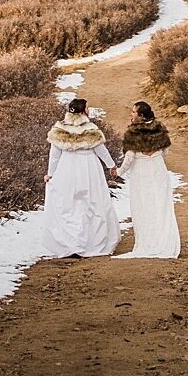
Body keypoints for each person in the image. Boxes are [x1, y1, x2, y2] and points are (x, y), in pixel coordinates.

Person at [43, 97, 121, 259]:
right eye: (87, 108)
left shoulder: (60, 129)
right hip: (88, 168)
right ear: (83, 111)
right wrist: (111, 165)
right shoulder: (90, 128)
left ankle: (71, 242)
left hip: (67, 168)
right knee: (91, 202)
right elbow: (101, 150)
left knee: (70, 204)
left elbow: (55, 155)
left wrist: (51, 173)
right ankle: (90, 242)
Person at [117, 100, 180, 259]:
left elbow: (130, 157)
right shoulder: (159, 129)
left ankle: (147, 241)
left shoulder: (132, 133)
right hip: (158, 169)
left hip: (141, 173)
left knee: (143, 206)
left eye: (133, 112)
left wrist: (119, 172)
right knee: (160, 206)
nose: (131, 115)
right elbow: (165, 152)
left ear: (141, 115)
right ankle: (164, 240)